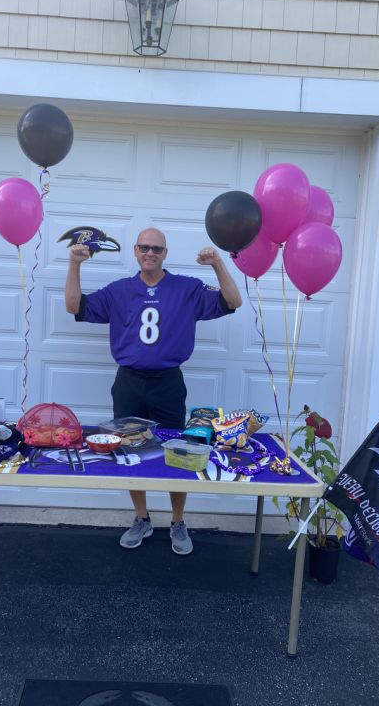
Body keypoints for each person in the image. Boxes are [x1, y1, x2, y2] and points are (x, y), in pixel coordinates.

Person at [65, 227, 241, 555]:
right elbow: (74, 305)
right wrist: (74, 264)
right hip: (129, 381)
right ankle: (141, 517)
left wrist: (217, 263)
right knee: (130, 452)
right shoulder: (120, 291)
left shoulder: (185, 288)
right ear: (135, 251)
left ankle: (177, 520)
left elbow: (233, 301)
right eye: (144, 247)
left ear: (165, 253)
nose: (150, 253)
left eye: (157, 249)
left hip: (168, 382)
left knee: (178, 451)